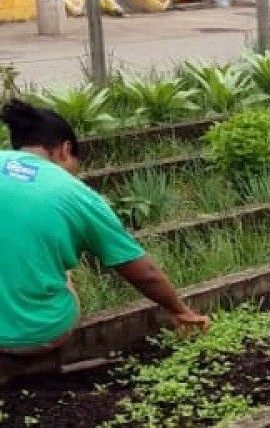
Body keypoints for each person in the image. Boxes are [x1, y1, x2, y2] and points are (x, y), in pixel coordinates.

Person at [0, 100, 209, 360]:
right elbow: (145, 274)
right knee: (63, 271)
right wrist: (180, 311)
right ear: (65, 150)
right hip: (36, 334)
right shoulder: (74, 193)